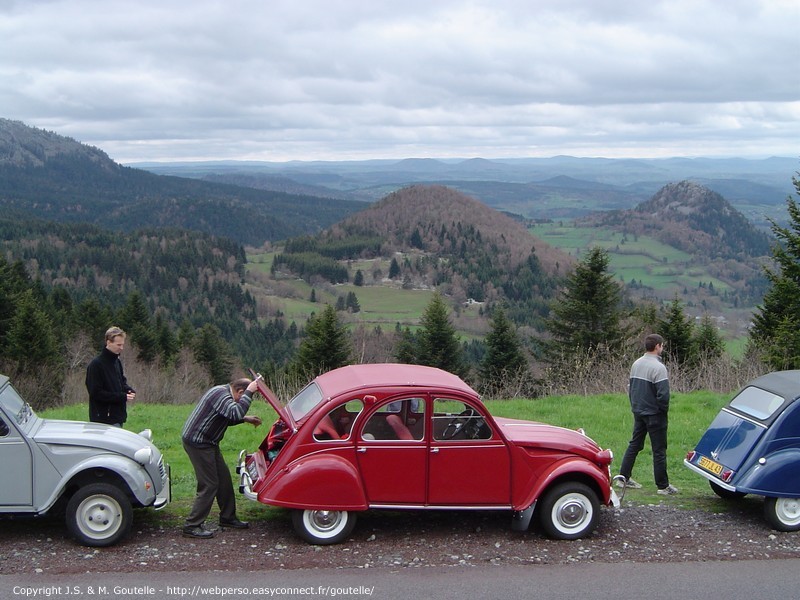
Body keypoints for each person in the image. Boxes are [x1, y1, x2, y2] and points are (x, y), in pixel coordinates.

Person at [181, 378, 263, 539]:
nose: (245, 400)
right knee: (210, 484)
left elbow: (228, 416)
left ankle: (228, 518)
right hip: (198, 443)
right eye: (244, 396)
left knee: (223, 480)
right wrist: (249, 392)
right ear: (240, 391)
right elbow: (234, 412)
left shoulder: (224, 393)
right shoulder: (221, 394)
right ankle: (192, 526)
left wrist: (245, 419)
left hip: (208, 442)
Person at [617, 333, 679, 495]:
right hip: (655, 414)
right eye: (662, 345)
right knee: (659, 450)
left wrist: (635, 406)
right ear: (658, 346)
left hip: (639, 411)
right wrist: (662, 411)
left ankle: (623, 478)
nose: (662, 348)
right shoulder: (659, 368)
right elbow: (663, 395)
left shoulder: (636, 364)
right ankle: (663, 486)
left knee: (634, 445)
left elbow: (632, 389)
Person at [85, 326, 136, 427]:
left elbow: (121, 382)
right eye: (118, 345)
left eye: (122, 345)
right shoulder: (96, 365)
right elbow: (96, 393)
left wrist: (128, 390)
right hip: (102, 419)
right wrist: (122, 397)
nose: (121, 348)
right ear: (108, 343)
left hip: (117, 416)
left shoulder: (117, 362)